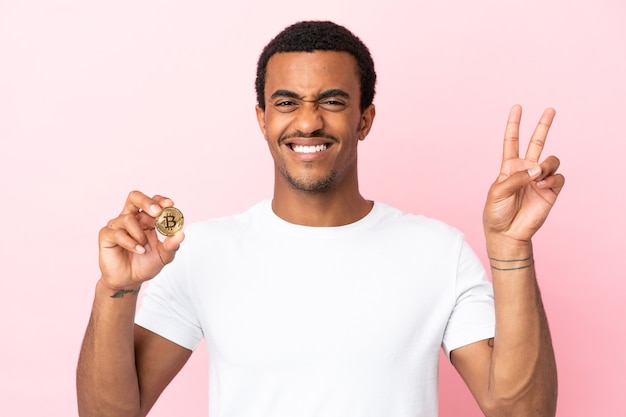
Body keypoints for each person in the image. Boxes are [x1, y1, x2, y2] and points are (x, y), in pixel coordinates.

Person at [77, 20, 563, 417]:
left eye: (331, 102)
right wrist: (115, 291)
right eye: (286, 103)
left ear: (364, 120)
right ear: (262, 118)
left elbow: (522, 413)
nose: (307, 121)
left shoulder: (438, 250)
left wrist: (512, 248)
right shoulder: (199, 251)